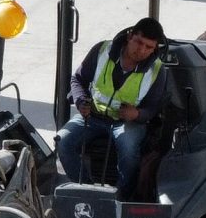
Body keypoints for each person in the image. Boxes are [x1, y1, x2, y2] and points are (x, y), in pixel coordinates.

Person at [60, 17, 174, 195]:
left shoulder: (157, 71)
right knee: (63, 141)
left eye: (149, 47)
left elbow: (153, 109)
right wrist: (81, 100)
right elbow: (78, 79)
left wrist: (136, 114)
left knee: (128, 149)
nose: (142, 50)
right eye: (139, 42)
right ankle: (87, 190)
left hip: (127, 123)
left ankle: (121, 195)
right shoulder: (101, 51)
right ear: (130, 36)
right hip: (93, 116)